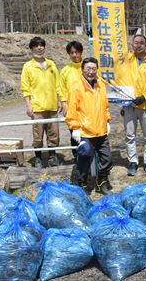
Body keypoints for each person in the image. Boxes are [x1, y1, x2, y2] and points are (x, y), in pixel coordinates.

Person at [65, 57, 113, 195]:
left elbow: (105, 106)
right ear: (82, 70)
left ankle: (101, 182)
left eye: (93, 69)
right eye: (88, 69)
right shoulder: (76, 87)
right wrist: (74, 127)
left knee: (107, 159)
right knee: (85, 155)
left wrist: (107, 120)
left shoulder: (101, 85)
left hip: (101, 130)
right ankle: (81, 183)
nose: (91, 72)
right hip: (85, 132)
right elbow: (72, 110)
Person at [121, 34, 146, 177]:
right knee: (129, 135)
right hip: (129, 105)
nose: (138, 45)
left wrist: (144, 97)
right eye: (135, 43)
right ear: (132, 45)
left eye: (141, 43)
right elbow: (120, 80)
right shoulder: (125, 61)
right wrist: (121, 101)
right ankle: (133, 162)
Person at [20, 36, 61, 169]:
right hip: (37, 107)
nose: (39, 48)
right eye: (36, 46)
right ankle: (38, 158)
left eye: (41, 45)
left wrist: (59, 99)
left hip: (52, 105)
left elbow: (58, 83)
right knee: (38, 134)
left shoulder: (51, 64)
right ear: (32, 48)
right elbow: (25, 87)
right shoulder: (28, 66)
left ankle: (52, 156)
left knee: (53, 133)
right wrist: (28, 104)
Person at [59, 41, 84, 160]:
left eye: (76, 52)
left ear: (81, 52)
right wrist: (64, 103)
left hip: (87, 107)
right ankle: (77, 156)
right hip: (71, 107)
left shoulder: (88, 67)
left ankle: (89, 156)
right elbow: (61, 88)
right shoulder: (65, 70)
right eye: (72, 53)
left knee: (87, 132)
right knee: (74, 133)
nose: (74, 55)